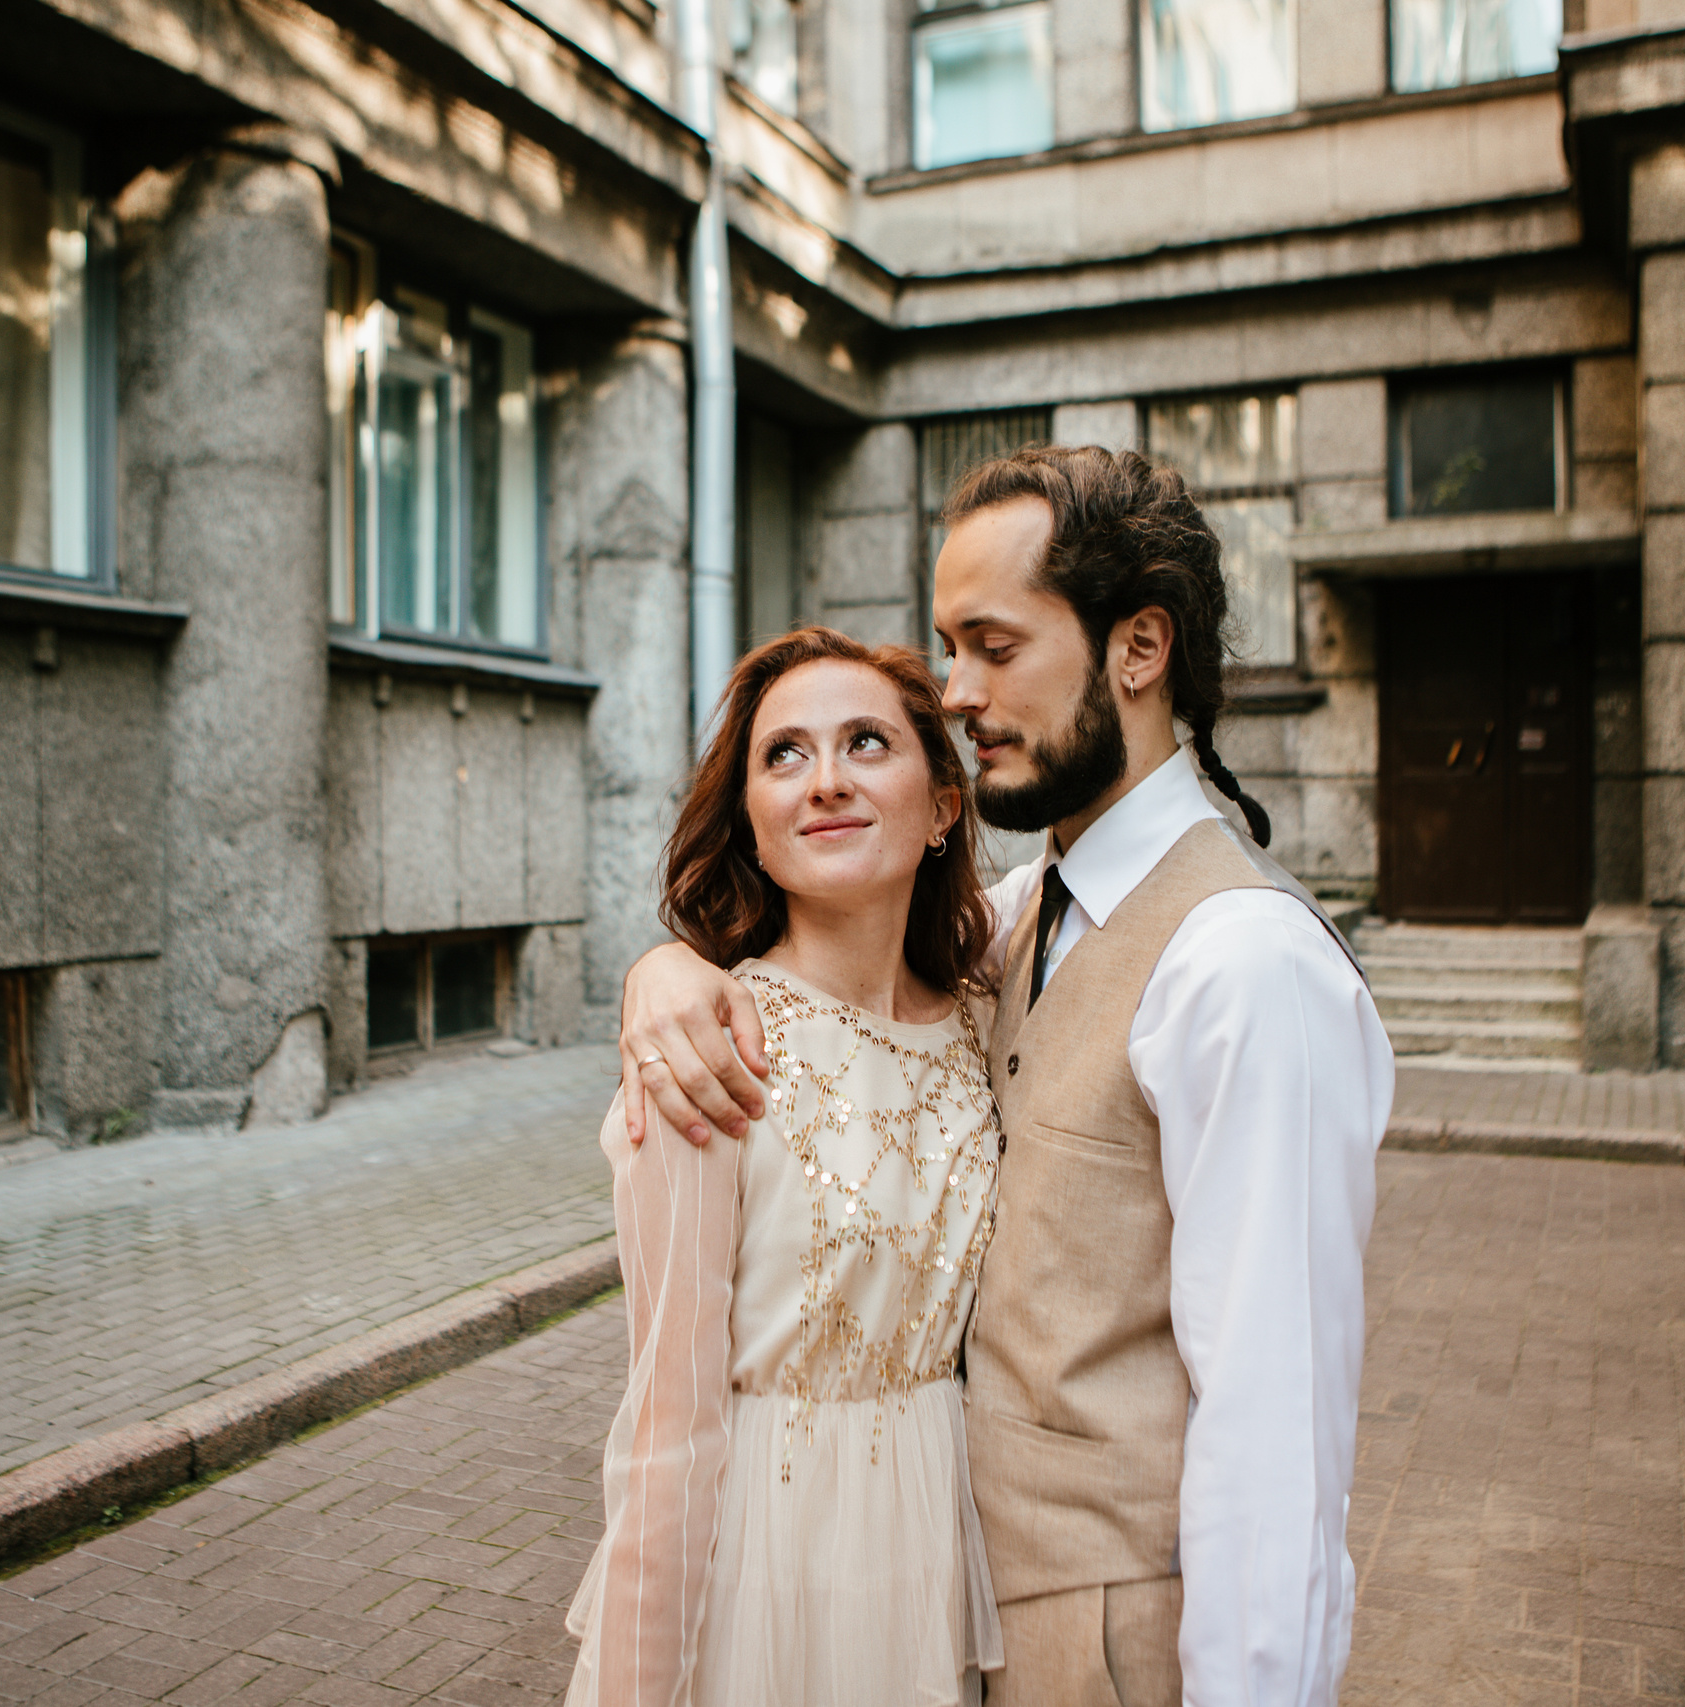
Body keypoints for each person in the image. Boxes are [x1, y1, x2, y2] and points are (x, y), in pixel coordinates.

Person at [618, 447, 1394, 1706]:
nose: (956, 694)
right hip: (960, 1617)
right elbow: (841, 949)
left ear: (1137, 650)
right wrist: (666, 971)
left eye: (993, 646)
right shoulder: (1029, 913)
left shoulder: (1244, 963)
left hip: (1125, 1640)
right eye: (947, 648)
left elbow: (1279, 1437)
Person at [565, 626, 1007, 1707]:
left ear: (942, 804)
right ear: (753, 826)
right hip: (767, 1562)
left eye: (866, 743)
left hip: (938, 1548)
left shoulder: (993, 1008)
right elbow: (664, 1428)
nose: (825, 783)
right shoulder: (707, 1049)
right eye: (784, 756)